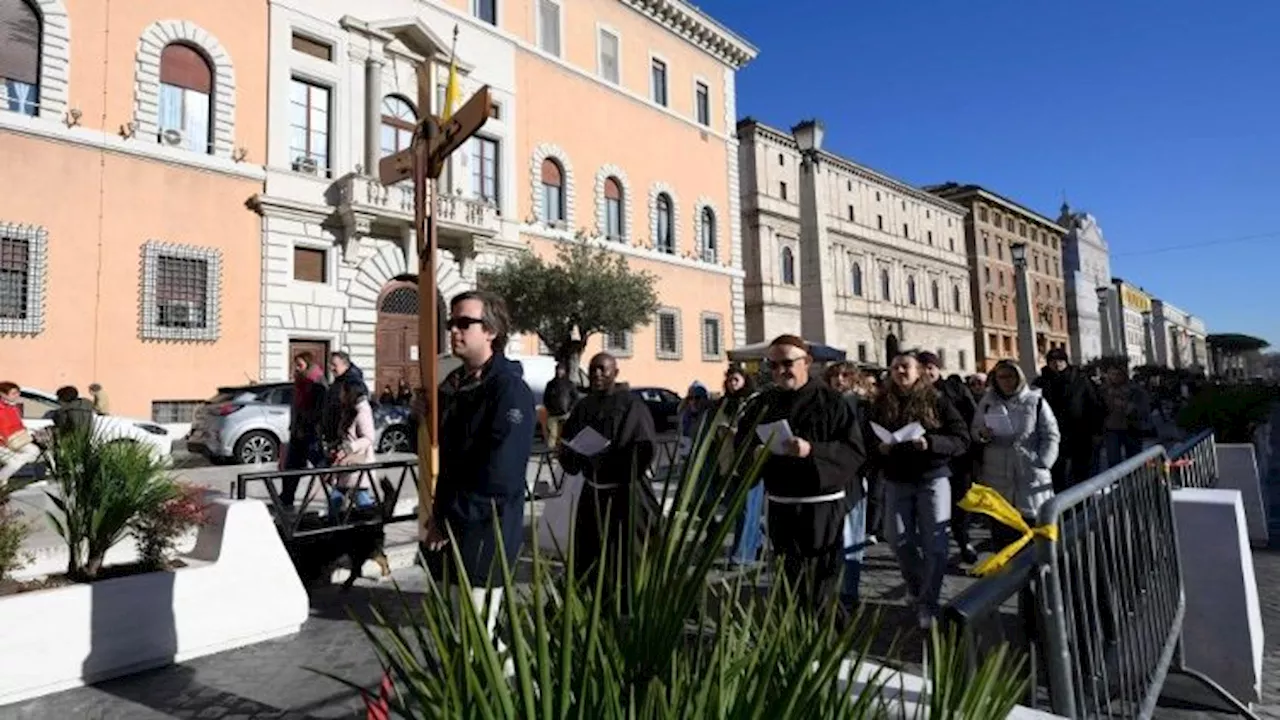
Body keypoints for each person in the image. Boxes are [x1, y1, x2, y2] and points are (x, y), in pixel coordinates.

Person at [423, 290, 535, 655]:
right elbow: (448, 462)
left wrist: (454, 517)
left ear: (490, 331)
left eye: (463, 323)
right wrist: (438, 517)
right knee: (456, 633)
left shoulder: (508, 390)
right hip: (452, 530)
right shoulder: (454, 387)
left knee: (479, 641)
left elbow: (501, 473)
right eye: (450, 323)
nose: (453, 330)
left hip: (487, 532)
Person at [737, 335, 866, 615]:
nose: (780, 371)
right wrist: (755, 453)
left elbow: (853, 451)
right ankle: (795, 642)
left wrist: (812, 450)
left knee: (821, 584)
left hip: (821, 506)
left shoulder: (832, 402)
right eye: (772, 365)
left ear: (806, 362)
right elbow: (742, 446)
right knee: (788, 583)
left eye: (787, 363)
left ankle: (826, 644)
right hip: (781, 505)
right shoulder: (762, 403)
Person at [867, 352, 969, 629]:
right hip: (896, 479)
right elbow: (867, 439)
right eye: (895, 367)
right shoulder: (880, 402)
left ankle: (928, 603)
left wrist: (931, 443)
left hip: (932, 478)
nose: (900, 371)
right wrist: (879, 449)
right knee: (897, 539)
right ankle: (918, 586)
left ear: (919, 371)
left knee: (935, 545)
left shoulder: (937, 399)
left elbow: (961, 439)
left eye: (906, 367)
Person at [557, 353, 657, 604]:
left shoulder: (632, 406)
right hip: (593, 494)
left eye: (603, 369)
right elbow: (568, 442)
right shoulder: (583, 406)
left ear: (616, 372)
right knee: (588, 556)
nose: (597, 375)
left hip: (625, 496)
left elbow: (643, 447)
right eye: (592, 370)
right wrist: (568, 453)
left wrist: (612, 460)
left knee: (626, 558)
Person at [972, 359, 1061, 638]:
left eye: (1010, 376)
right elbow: (975, 430)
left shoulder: (1036, 402)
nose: (1006, 381)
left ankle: (1042, 607)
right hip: (999, 483)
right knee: (1006, 551)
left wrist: (1043, 462)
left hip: (1031, 481)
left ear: (1019, 377)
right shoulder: (986, 403)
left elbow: (1051, 434)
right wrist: (983, 434)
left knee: (1036, 549)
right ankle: (1022, 611)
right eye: (1001, 377)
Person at [917, 352, 980, 566]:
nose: (927, 372)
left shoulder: (955, 389)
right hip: (930, 459)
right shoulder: (915, 393)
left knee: (961, 501)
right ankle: (934, 548)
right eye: (922, 367)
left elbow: (973, 417)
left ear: (937, 368)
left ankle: (963, 540)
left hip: (958, 456)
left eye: (930, 367)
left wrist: (973, 446)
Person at [823, 361, 873, 610]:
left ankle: (849, 592)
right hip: (828, 479)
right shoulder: (822, 404)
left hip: (853, 478)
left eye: (844, 375)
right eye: (835, 376)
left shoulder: (863, 407)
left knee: (852, 536)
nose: (839, 380)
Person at [1034, 347, 1104, 491]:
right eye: (1053, 361)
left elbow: (1094, 405)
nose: (1057, 364)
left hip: (1081, 432)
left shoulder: (1080, 379)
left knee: (1081, 471)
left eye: (1060, 360)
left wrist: (1097, 431)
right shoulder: (1041, 381)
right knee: (1056, 471)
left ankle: (1081, 504)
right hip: (1052, 432)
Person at [716, 364, 763, 567]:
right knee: (735, 508)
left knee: (747, 508)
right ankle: (756, 540)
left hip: (749, 461)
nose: (732, 384)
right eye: (729, 380)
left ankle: (741, 554)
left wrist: (736, 433)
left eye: (736, 379)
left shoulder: (754, 403)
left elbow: (758, 431)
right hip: (728, 461)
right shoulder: (725, 403)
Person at [282, 352, 327, 509]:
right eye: (296, 364)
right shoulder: (300, 382)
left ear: (308, 363)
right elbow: (296, 408)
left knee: (321, 465)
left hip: (311, 432)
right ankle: (286, 499)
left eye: (299, 364)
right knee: (290, 468)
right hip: (297, 431)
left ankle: (338, 495)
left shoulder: (316, 382)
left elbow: (318, 410)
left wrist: (306, 426)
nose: (297, 368)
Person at [329, 379, 378, 513]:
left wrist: (349, 447)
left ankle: (371, 525)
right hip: (347, 464)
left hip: (357, 464)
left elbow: (368, 437)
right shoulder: (349, 410)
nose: (340, 395)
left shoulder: (362, 411)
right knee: (337, 499)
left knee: (360, 499)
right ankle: (335, 527)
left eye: (342, 392)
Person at [1100, 361, 1151, 468]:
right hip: (1111, 429)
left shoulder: (1134, 390)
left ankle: (1134, 481)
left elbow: (1143, 408)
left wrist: (1128, 406)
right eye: (1111, 374)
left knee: (1134, 460)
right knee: (1113, 460)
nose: (1114, 377)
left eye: (1117, 374)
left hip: (1131, 428)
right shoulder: (1103, 390)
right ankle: (1117, 483)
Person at [0, 382, 40, 488]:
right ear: (3, 394)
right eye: (13, 393)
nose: (17, 395)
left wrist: (27, 432)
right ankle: (2, 481)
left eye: (18, 393)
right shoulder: (3, 408)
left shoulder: (13, 408)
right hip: (2, 443)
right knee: (14, 462)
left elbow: (18, 425)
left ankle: (4, 478)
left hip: (16, 440)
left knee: (34, 452)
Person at [542, 362, 580, 450]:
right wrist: (549, 408)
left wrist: (569, 409)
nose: (559, 372)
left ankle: (565, 452)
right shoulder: (551, 384)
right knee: (552, 435)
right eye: (558, 370)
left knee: (565, 434)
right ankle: (550, 454)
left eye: (561, 370)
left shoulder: (569, 384)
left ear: (565, 371)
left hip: (565, 414)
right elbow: (546, 398)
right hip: (553, 414)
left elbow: (575, 398)